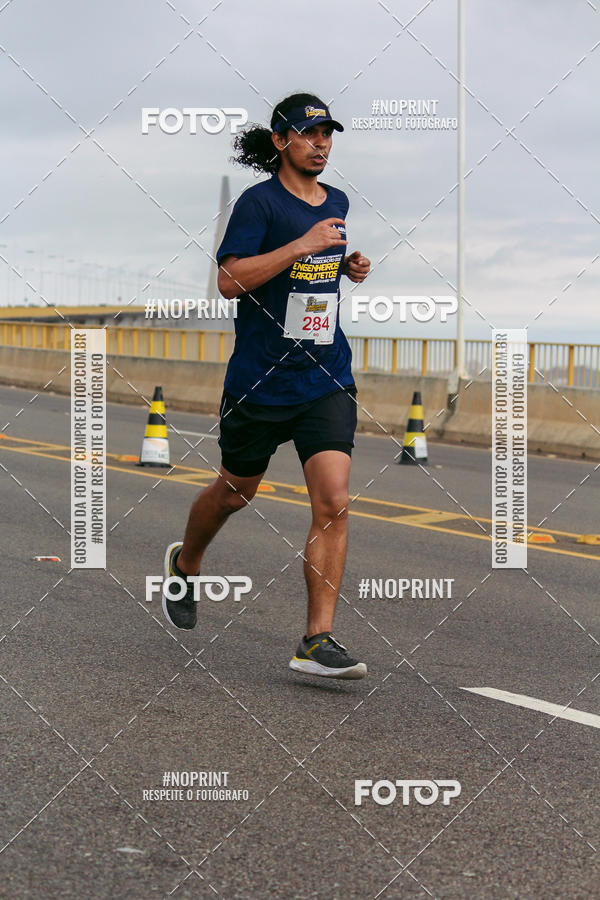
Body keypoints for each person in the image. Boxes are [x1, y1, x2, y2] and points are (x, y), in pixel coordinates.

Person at [162, 92, 371, 679]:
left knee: (334, 501)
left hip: (324, 373)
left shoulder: (338, 201)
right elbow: (230, 280)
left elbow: (313, 281)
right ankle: (186, 562)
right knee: (235, 492)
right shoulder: (259, 204)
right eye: (309, 134)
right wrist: (301, 245)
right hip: (260, 380)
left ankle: (316, 640)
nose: (322, 143)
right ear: (280, 141)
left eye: (328, 134)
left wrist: (347, 267)